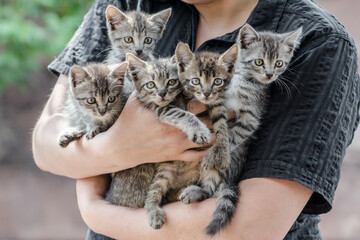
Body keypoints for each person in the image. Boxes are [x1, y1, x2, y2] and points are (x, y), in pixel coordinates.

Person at [32, 0, 360, 239]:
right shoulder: (131, 6)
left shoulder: (319, 43)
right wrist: (119, 146)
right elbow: (46, 142)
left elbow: (249, 229)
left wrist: (96, 212)